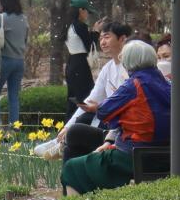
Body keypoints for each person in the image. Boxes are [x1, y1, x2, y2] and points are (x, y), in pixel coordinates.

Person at [61, 40, 171, 194]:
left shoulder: (133, 85)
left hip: (134, 156)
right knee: (76, 134)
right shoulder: (168, 83)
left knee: (72, 168)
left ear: (129, 62)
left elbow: (104, 111)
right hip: (167, 153)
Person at [57, 21, 133, 161]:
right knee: (73, 137)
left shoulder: (132, 68)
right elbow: (91, 100)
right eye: (100, 38)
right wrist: (67, 126)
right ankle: (71, 179)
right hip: (110, 125)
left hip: (123, 130)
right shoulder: (108, 68)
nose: (102, 42)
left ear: (122, 39)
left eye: (107, 37)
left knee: (77, 131)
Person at [0, 0, 29, 126]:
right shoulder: (24, 19)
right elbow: (25, 40)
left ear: (3, 0)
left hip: (4, 60)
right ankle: (15, 128)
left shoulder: (0, 18)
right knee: (14, 96)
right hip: (19, 61)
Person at [65, 0, 97, 118]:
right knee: (86, 98)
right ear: (80, 10)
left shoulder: (68, 25)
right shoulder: (80, 26)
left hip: (71, 63)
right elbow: (89, 45)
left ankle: (68, 127)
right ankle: (83, 126)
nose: (87, 14)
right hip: (80, 64)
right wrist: (96, 32)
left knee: (72, 99)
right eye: (87, 11)